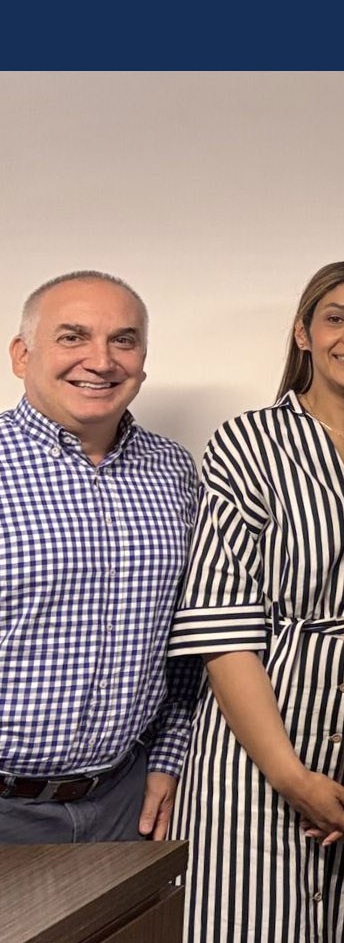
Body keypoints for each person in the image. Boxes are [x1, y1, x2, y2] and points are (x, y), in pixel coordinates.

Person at [168, 261, 344, 943]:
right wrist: (289, 773)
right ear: (303, 334)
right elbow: (219, 622)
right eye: (335, 317)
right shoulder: (249, 441)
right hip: (255, 752)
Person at [1, 272, 200, 845]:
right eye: (73, 337)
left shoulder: (174, 470)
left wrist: (167, 756)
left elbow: (184, 634)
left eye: (124, 340)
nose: (101, 360)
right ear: (22, 354)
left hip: (123, 804)